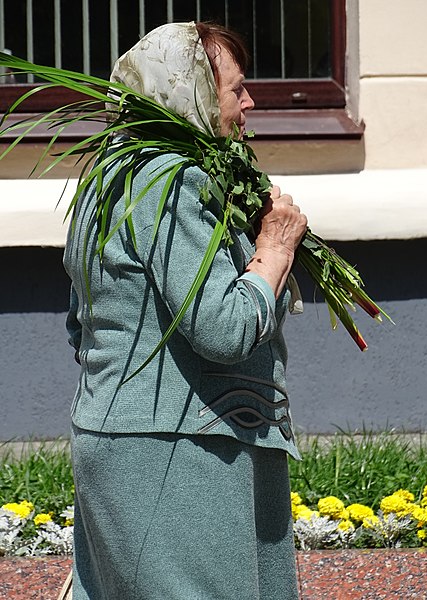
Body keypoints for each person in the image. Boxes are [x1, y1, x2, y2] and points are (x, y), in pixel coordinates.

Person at [63, 21, 308, 600]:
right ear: (191, 93)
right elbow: (222, 329)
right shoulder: (172, 182)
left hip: (124, 439)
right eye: (235, 89)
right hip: (179, 452)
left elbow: (83, 324)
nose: (249, 103)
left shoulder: (109, 177)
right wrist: (273, 249)